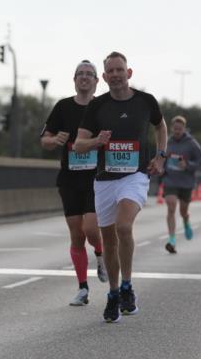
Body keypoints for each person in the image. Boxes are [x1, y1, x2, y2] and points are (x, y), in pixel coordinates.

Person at [74, 51, 167, 322]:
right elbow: (79, 144)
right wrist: (96, 142)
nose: (115, 75)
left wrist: (161, 156)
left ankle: (127, 285)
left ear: (129, 73)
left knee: (124, 226)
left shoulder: (145, 101)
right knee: (109, 242)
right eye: (110, 71)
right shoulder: (97, 106)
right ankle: (114, 293)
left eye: (119, 70)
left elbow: (160, 127)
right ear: (104, 77)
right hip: (104, 180)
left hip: (134, 176)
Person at [40, 60, 107, 306]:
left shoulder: (103, 107)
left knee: (91, 229)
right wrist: (54, 139)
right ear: (74, 79)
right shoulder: (63, 107)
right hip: (69, 179)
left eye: (89, 74)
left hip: (96, 177)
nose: (85, 78)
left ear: (96, 81)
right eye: (80, 74)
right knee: (77, 236)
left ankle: (100, 257)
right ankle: (82, 288)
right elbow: (44, 140)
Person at [162, 115, 201, 253]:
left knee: (183, 211)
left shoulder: (191, 143)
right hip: (170, 180)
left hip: (186, 182)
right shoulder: (167, 142)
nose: (177, 131)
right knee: (171, 206)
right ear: (171, 128)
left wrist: (187, 165)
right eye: (175, 129)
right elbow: (161, 157)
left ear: (184, 129)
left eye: (180, 129)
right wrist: (160, 166)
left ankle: (186, 221)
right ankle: (172, 239)